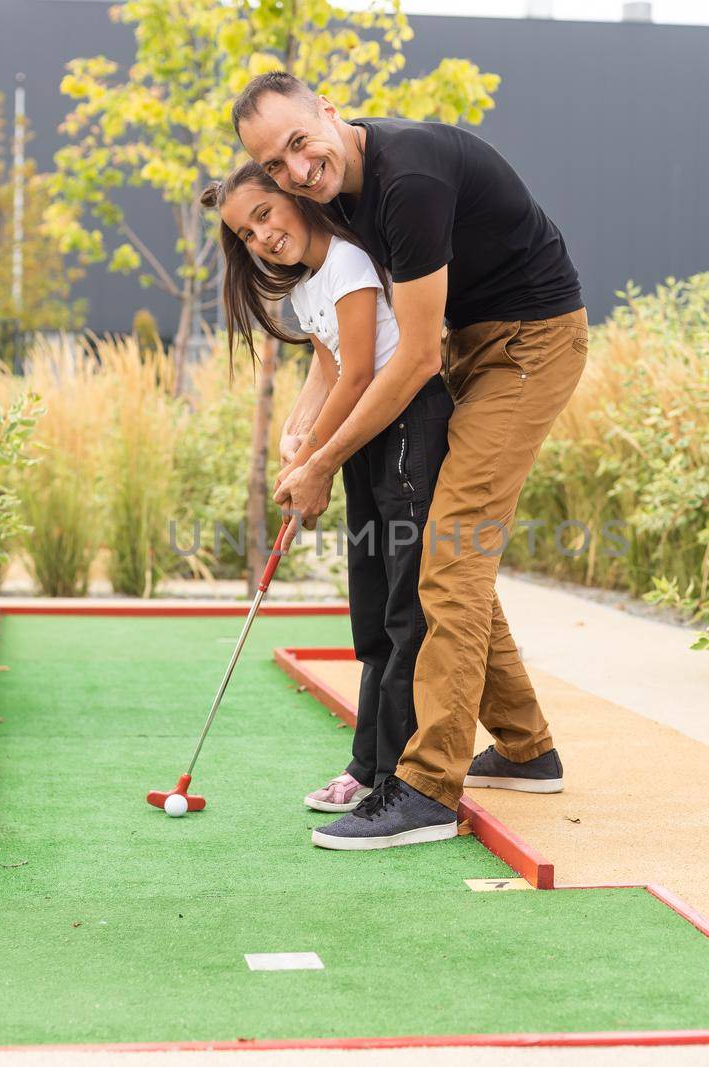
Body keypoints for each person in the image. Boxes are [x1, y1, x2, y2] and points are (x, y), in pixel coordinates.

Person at [232, 72, 587, 851]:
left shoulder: (409, 177)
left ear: (329, 109)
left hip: (531, 343)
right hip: (477, 342)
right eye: (276, 164)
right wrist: (307, 424)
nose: (296, 170)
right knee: (447, 548)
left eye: (299, 141)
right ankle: (528, 750)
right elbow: (345, 339)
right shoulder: (337, 192)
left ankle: (426, 787)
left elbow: (414, 356)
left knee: (451, 556)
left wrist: (323, 460)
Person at [200, 161, 454, 823]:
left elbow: (364, 369)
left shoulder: (346, 262)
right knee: (370, 606)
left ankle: (400, 776)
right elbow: (328, 366)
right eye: (246, 234)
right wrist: (296, 430)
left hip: (408, 423)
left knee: (404, 608)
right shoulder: (305, 288)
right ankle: (367, 764)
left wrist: (314, 458)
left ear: (294, 200)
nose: (261, 237)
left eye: (264, 216)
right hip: (365, 434)